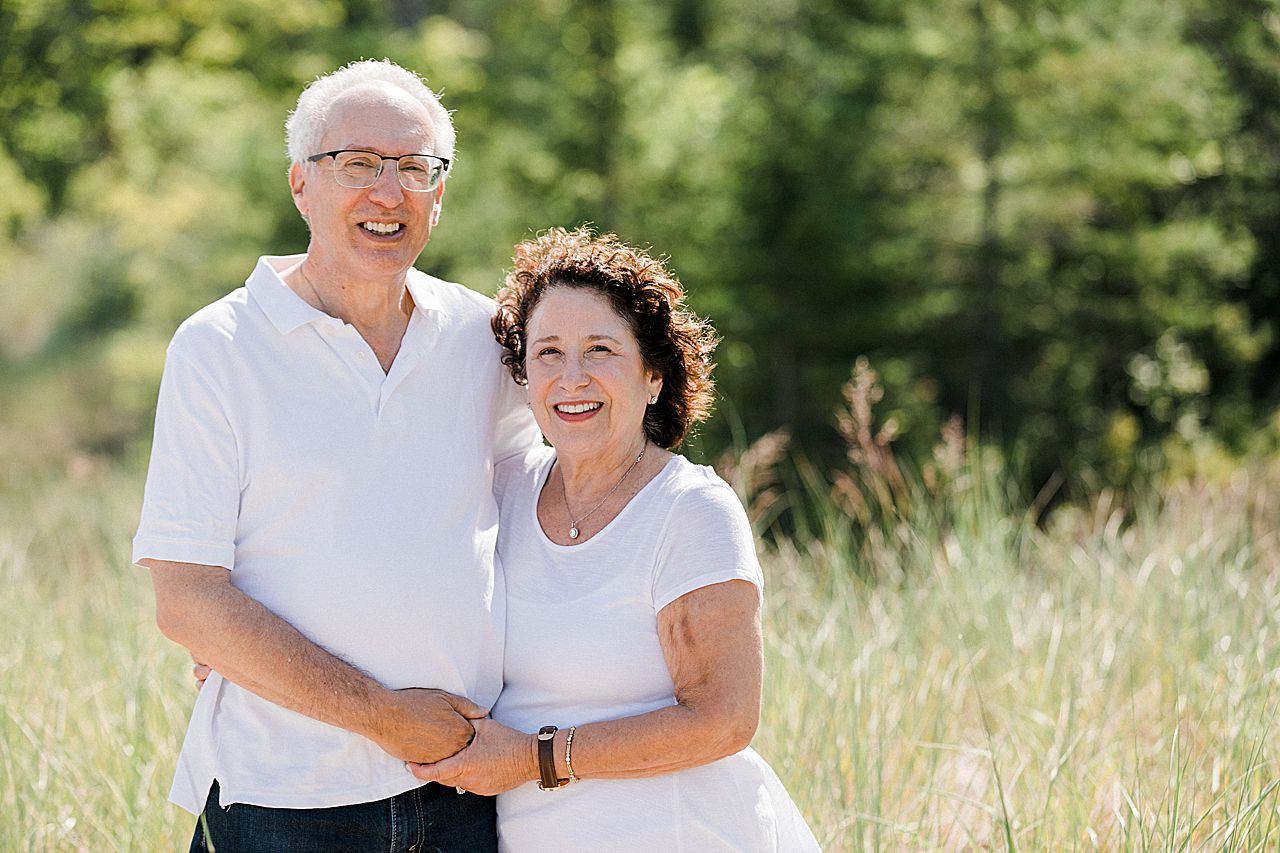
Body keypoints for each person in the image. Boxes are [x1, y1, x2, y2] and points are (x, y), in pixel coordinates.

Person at [132, 59, 539, 851]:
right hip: (282, 797)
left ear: (439, 196)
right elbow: (187, 600)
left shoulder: (484, 338)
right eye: (358, 164)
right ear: (300, 186)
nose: (388, 192)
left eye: (414, 168)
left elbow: (541, 523)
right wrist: (386, 716)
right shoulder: (219, 347)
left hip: (465, 783)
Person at [410, 227, 821, 851]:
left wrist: (531, 758)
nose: (571, 378)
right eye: (548, 352)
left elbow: (724, 720)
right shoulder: (503, 491)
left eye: (599, 349)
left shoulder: (691, 511)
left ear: (653, 374)